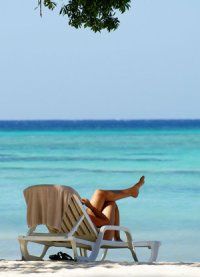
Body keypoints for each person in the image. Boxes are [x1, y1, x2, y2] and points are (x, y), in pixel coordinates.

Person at [81, 176, 145, 241]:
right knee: (103, 196)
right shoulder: (79, 217)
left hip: (84, 233)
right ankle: (131, 191)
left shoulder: (73, 216)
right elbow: (105, 221)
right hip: (99, 238)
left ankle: (132, 191)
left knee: (108, 199)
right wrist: (91, 207)